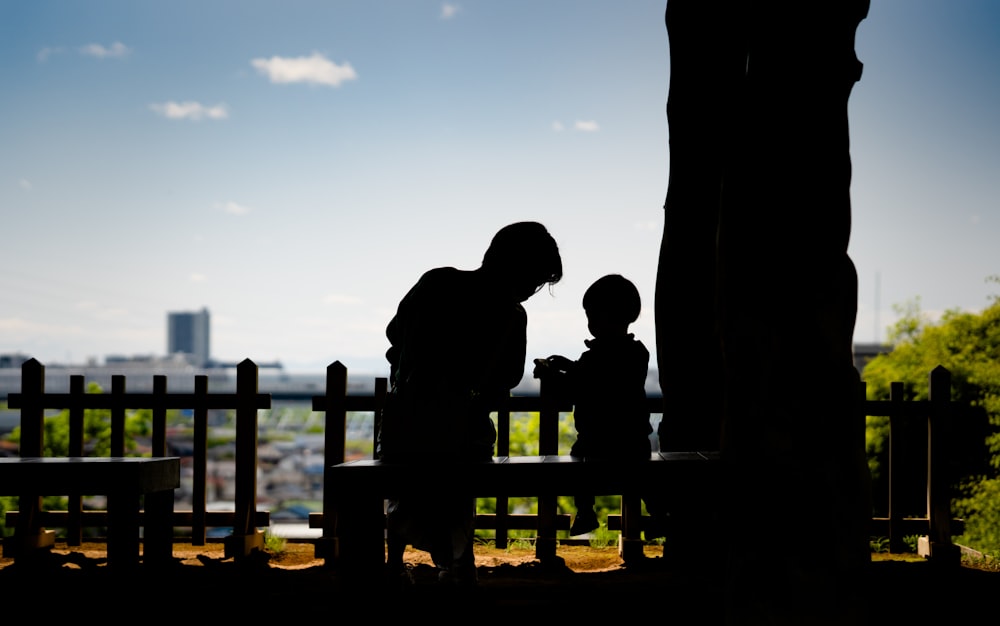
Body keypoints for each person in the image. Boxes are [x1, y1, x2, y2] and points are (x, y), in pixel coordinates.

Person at [379, 221, 562, 585]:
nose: (532, 290)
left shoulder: (436, 283)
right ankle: (457, 563)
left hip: (407, 419)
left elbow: (393, 336)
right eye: (536, 280)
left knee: (404, 489)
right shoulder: (511, 315)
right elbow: (508, 377)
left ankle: (396, 563)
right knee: (457, 496)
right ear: (521, 270)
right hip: (465, 427)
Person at [533, 274, 663, 536]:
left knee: (578, 469)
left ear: (601, 317)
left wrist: (550, 374)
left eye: (591, 316)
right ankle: (659, 516)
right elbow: (599, 375)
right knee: (645, 480)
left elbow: (579, 384)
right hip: (633, 439)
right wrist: (569, 366)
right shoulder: (637, 353)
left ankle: (585, 512)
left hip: (595, 440)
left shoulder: (593, 358)